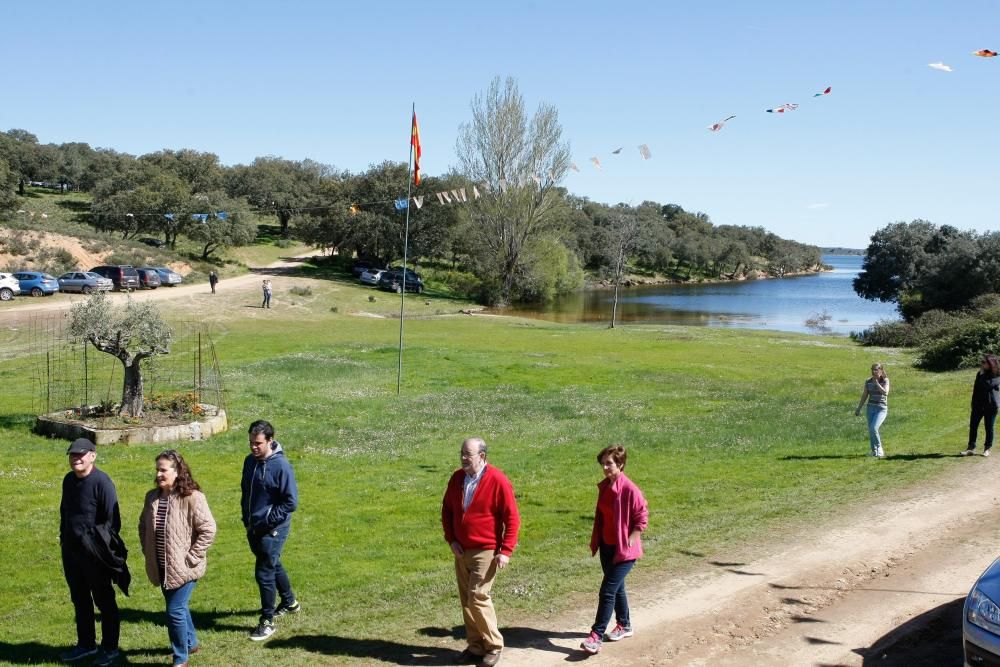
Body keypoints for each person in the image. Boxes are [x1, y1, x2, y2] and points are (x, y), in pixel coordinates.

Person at [441, 437, 520, 667]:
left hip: (486, 550)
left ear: (482, 456)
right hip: (461, 550)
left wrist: (505, 550)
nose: (463, 458)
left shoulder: (498, 480)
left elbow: (512, 518)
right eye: (462, 453)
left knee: (477, 596)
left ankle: (494, 645)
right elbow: (446, 510)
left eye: (468, 454)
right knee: (467, 600)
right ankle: (476, 646)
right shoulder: (457, 478)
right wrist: (452, 539)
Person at [138, 450, 217, 667]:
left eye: (163, 470)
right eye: (157, 470)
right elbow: (143, 526)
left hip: (185, 568)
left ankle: (181, 659)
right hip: (163, 567)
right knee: (179, 608)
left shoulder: (193, 498)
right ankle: (191, 643)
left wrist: (193, 556)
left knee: (174, 611)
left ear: (177, 472)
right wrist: (149, 552)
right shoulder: (152, 497)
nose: (159, 474)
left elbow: (208, 529)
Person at [59, 438, 130, 666]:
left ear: (93, 456)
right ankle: (86, 645)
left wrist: (96, 547)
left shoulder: (102, 482)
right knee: (80, 600)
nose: (76, 459)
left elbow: (112, 522)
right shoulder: (68, 481)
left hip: (95, 556)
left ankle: (110, 648)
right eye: (73, 455)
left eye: (81, 455)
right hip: (71, 553)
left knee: (104, 601)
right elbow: (65, 513)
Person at [580, 445, 649, 655]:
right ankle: (625, 625)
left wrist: (632, 538)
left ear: (620, 464)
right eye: (603, 464)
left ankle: (596, 636)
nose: (605, 467)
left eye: (609, 463)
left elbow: (642, 515)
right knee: (617, 588)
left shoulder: (629, 489)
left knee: (607, 590)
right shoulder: (605, 486)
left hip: (624, 551)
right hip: (607, 546)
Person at [241, 420, 300, 641]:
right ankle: (289, 602)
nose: (253, 447)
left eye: (257, 443)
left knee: (263, 572)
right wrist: (246, 519)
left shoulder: (281, 466)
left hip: (273, 529)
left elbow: (290, 502)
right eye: (250, 443)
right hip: (253, 527)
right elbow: (245, 493)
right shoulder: (249, 462)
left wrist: (267, 520)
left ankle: (267, 622)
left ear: (270, 441)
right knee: (272, 563)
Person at [962, 354, 1000, 457]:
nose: (981, 364)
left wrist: (982, 375)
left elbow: (988, 386)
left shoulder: (997, 375)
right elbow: (976, 388)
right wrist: (973, 403)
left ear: (990, 364)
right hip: (978, 405)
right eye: (982, 362)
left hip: (991, 406)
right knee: (973, 426)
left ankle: (987, 449)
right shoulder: (980, 374)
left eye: (984, 362)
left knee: (989, 427)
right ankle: (971, 448)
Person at [855, 363, 890, 458]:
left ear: (881, 371)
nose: (874, 371)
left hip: (881, 409)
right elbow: (865, 395)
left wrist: (877, 384)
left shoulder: (885, 380)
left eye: (876, 370)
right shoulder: (868, 381)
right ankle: (874, 451)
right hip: (870, 408)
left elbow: (885, 392)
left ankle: (880, 449)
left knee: (874, 428)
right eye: (873, 370)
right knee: (871, 430)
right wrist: (859, 408)